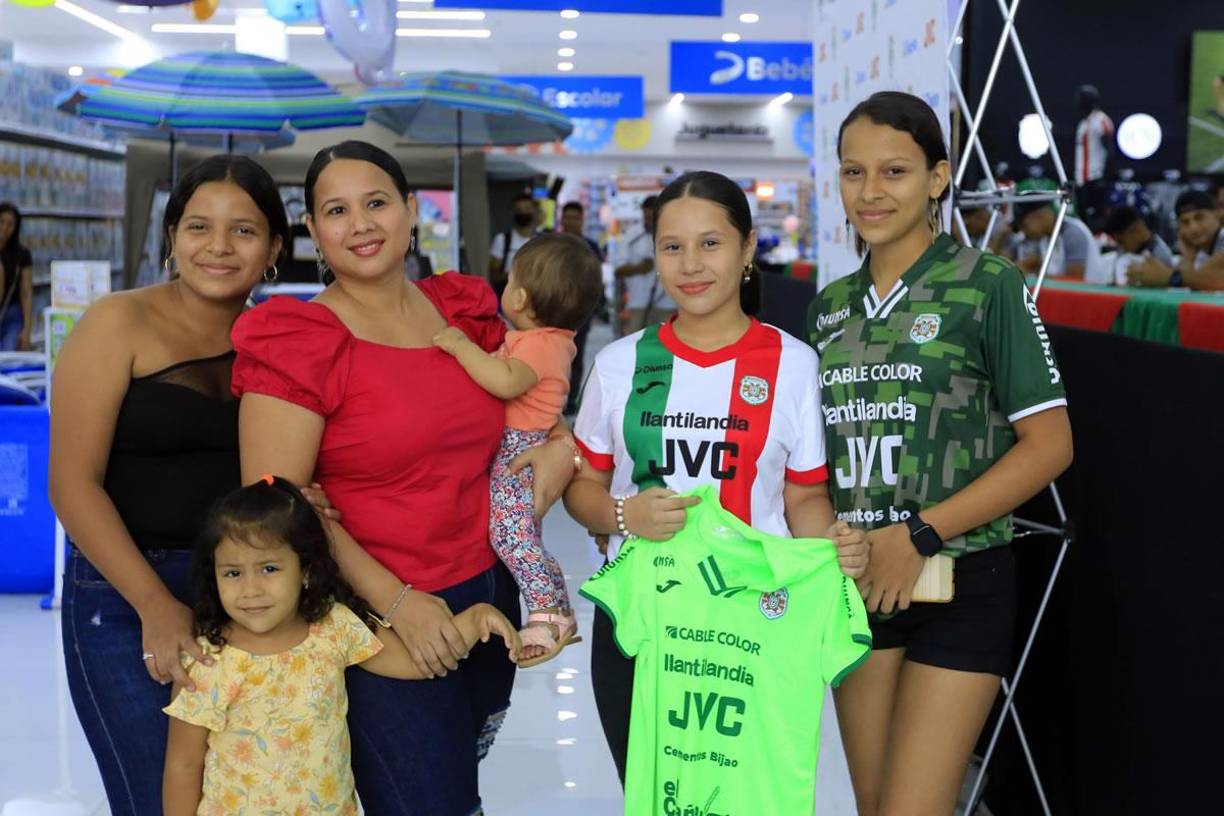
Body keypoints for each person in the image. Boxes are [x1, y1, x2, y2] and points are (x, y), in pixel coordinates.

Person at [230, 140, 578, 815]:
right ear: (312, 230)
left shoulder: (461, 312)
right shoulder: (301, 340)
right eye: (337, 211)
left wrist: (562, 451)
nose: (360, 224)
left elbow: (527, 410)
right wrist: (396, 604)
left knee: (458, 793)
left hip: (488, 596)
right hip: (380, 618)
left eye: (377, 203)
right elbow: (274, 510)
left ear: (412, 209)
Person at [810, 90, 1074, 816]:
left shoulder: (988, 285)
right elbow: (815, 461)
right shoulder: (828, 307)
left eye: (894, 171)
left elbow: (1051, 446)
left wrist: (920, 533)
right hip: (860, 588)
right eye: (853, 171)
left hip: (961, 581)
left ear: (936, 178)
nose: (870, 191)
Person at [564, 169, 870, 785]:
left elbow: (804, 496)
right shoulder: (620, 364)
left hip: (756, 626)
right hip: (641, 626)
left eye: (711, 243)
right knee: (657, 794)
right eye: (672, 246)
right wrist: (626, 515)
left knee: (750, 792)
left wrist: (834, 546)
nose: (690, 265)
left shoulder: (793, 364)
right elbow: (581, 490)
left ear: (748, 248)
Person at [47, 155, 295, 816]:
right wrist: (154, 605)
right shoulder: (116, 321)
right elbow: (72, 484)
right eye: (198, 227)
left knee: (251, 798)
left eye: (243, 230)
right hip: (123, 595)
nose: (218, 246)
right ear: (172, 237)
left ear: (274, 248)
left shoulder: (278, 338)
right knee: (156, 801)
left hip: (250, 592)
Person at [163, 476, 519, 816]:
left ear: (305, 570)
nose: (251, 589)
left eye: (269, 569)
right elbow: (183, 765)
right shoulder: (206, 660)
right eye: (233, 573)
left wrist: (475, 620)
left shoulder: (333, 627)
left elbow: (412, 663)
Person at [432, 232, 602, 666]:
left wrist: (461, 347)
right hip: (522, 443)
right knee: (520, 532)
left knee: (511, 535)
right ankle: (557, 609)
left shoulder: (542, 344)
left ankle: (546, 613)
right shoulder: (545, 339)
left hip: (519, 449)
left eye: (509, 281)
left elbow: (506, 382)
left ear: (521, 296)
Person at [1127, 190, 1224, 290]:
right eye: (1185, 222)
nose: (1193, 228)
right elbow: (1195, 283)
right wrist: (1188, 257)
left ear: (1217, 214)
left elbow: (1208, 281)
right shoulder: (1199, 252)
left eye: (1199, 218)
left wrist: (1168, 277)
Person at [559, 200, 605, 413]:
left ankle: (571, 400)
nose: (571, 221)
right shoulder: (552, 244)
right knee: (554, 354)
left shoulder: (591, 247)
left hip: (580, 310)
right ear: (562, 219)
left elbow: (597, 279)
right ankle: (553, 397)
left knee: (576, 355)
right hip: (554, 308)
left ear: (582, 220)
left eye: (575, 217)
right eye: (567, 217)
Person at [614, 195, 676, 335]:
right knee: (635, 343)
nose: (649, 221)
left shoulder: (674, 234)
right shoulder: (631, 235)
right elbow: (618, 270)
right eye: (646, 216)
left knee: (666, 343)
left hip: (668, 303)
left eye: (653, 217)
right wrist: (638, 269)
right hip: (638, 303)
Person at [1013, 200, 1107, 283]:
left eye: (1025, 226)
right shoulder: (1045, 238)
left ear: (1040, 216)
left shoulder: (1072, 233)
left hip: (1089, 293)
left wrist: (1031, 278)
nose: (1024, 232)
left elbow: (1074, 281)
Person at [1074, 84, 1114, 231]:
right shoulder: (1083, 123)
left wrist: (1105, 177)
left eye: (1081, 99)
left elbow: (1110, 150)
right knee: (1083, 216)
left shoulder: (1101, 120)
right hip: (1082, 178)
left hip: (1095, 177)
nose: (1078, 103)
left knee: (1096, 218)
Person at [1104, 206, 1175, 285]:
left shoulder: (1161, 255)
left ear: (1136, 230)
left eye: (1122, 242)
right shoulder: (1123, 252)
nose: (1121, 247)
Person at [489, 191, 541, 296]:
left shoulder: (540, 242)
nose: (523, 213)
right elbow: (493, 276)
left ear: (534, 211)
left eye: (527, 209)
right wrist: (517, 275)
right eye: (519, 210)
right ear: (513, 212)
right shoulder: (502, 240)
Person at [0, 202, 34, 350]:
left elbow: (26, 293)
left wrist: (27, 329)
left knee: (8, 356)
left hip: (11, 316)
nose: (4, 228)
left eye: (10, 224)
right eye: (1, 221)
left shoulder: (22, 255)